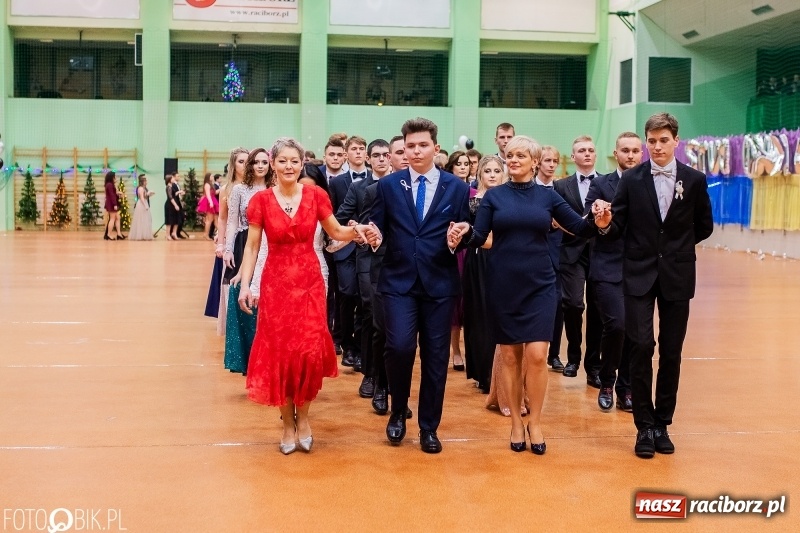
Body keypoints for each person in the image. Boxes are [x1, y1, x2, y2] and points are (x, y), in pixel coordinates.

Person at [448, 135, 610, 455]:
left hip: (541, 284)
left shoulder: (548, 198)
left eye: (521, 155)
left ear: (535, 161)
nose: (513, 159)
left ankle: (535, 421)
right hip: (503, 283)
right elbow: (480, 236)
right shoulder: (494, 198)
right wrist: (464, 235)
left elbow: (578, 228)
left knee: (537, 354)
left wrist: (598, 222)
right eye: (510, 154)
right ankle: (516, 424)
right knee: (510, 356)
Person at [236, 137, 376, 455]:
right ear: (273, 164)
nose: (288, 166)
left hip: (311, 283)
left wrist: (361, 231)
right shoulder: (260, 202)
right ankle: (287, 422)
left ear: (302, 164)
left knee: (309, 352)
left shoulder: (315, 195)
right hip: (275, 286)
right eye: (282, 160)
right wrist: (246, 285)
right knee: (282, 355)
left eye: (294, 161)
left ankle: (305, 418)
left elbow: (337, 231)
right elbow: (253, 246)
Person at [598, 113, 713, 458]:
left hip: (677, 274)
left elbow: (704, 226)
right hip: (638, 272)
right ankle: (643, 425)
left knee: (672, 350)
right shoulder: (631, 180)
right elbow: (617, 226)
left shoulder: (694, 180)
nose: (658, 146)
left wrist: (675, 248)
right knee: (642, 344)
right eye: (652, 141)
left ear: (676, 141)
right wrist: (606, 224)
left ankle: (662, 421)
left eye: (664, 140)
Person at [368, 117, 472, 454]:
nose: (415, 151)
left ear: (435, 149)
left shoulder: (455, 188)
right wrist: (374, 236)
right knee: (398, 347)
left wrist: (457, 239)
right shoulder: (389, 185)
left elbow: (461, 230)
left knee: (435, 357)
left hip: (440, 283)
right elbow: (379, 228)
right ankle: (399, 410)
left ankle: (429, 426)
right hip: (398, 281)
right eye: (410, 146)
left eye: (422, 145)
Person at [583, 132, 643, 412]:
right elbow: (588, 221)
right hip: (607, 267)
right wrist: (599, 216)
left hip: (641, 269)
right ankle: (607, 380)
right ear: (615, 153)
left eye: (635, 150)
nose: (630, 155)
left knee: (635, 332)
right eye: (625, 150)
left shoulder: (649, 183)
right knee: (616, 325)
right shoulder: (600, 184)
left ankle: (627, 388)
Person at [335, 138, 392, 400]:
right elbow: (339, 218)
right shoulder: (358, 189)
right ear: (369, 159)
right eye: (376, 155)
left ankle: (387, 378)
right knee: (371, 313)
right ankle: (370, 374)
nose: (381, 159)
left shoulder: (401, 185)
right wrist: (351, 226)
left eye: (385, 154)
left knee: (390, 320)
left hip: (395, 258)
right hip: (367, 258)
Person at [554, 136, 602, 387]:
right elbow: (555, 218)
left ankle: (593, 366)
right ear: (573, 157)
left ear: (596, 155)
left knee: (598, 309)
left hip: (599, 253)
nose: (586, 154)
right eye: (581, 151)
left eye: (590, 150)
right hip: (571, 252)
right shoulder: (561, 186)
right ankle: (573, 357)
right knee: (572, 304)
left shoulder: (606, 183)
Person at [223, 148, 270, 375]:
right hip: (246, 243)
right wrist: (228, 248)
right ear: (249, 165)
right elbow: (232, 222)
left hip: (270, 243)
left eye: (264, 162)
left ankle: (265, 355)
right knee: (244, 295)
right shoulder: (240, 190)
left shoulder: (275, 189)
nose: (260, 166)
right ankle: (248, 357)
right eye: (256, 162)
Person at [462, 155, 505, 395]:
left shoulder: (509, 198)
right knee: (477, 314)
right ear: (480, 174)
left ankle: (498, 373)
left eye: (496, 170)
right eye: (486, 170)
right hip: (476, 260)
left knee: (496, 314)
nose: (491, 174)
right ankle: (481, 372)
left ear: (503, 173)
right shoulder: (472, 200)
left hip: (502, 260)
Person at [211, 148, 249, 334]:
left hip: (255, 239)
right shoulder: (226, 189)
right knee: (231, 280)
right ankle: (233, 327)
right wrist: (222, 244)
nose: (245, 165)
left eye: (247, 161)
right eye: (241, 161)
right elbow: (223, 218)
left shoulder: (259, 185)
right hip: (236, 240)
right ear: (233, 164)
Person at [536, 146, 565, 373]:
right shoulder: (528, 188)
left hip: (556, 254)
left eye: (555, 160)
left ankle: (553, 353)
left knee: (557, 304)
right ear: (538, 162)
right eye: (547, 160)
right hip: (532, 252)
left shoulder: (560, 189)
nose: (552, 164)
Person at [298, 163, 331, 292]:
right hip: (287, 272)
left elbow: (331, 242)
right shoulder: (283, 208)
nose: (307, 193)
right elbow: (263, 249)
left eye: (313, 189)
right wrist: (254, 287)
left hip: (318, 271)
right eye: (302, 188)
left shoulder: (323, 209)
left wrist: (353, 232)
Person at [128, 175, 155, 240]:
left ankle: (145, 235)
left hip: (145, 202)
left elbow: (145, 196)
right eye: (145, 181)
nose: (146, 182)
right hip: (141, 204)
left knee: (146, 219)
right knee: (141, 219)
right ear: (143, 182)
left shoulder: (144, 188)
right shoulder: (140, 188)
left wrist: (149, 194)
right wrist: (145, 205)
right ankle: (140, 235)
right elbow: (141, 198)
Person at [197, 172, 219, 241]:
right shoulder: (207, 184)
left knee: (215, 220)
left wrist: (221, 189)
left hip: (213, 201)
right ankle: (205, 234)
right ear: (208, 177)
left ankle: (222, 234)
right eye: (211, 176)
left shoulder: (211, 184)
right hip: (210, 202)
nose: (212, 177)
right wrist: (211, 202)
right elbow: (208, 194)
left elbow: (214, 193)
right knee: (209, 220)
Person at [104, 171, 124, 240]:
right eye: (114, 177)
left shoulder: (110, 184)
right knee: (112, 219)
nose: (115, 178)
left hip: (111, 203)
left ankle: (119, 233)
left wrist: (118, 194)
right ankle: (109, 234)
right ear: (112, 177)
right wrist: (115, 204)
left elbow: (113, 194)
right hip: (111, 204)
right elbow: (112, 195)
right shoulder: (109, 185)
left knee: (117, 218)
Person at [164, 173, 183, 240]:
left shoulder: (172, 186)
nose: (173, 179)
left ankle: (174, 233)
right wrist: (175, 205)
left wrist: (178, 192)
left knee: (176, 219)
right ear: (169, 180)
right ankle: (167, 235)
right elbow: (170, 197)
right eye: (172, 178)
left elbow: (174, 194)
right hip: (170, 205)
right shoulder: (168, 187)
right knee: (169, 220)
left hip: (175, 203)